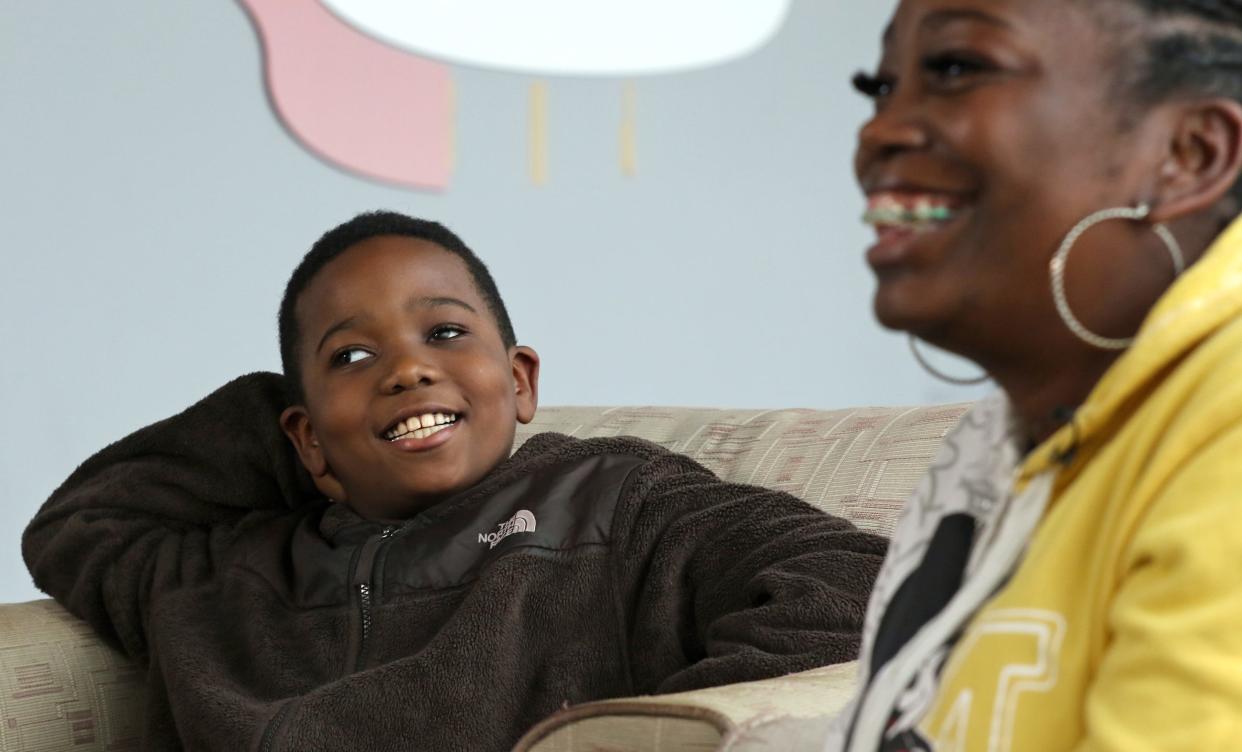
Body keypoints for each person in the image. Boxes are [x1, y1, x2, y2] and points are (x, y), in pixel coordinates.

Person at [23, 211, 887, 752]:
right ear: (304, 440)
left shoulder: (611, 500)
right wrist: (281, 412)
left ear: (518, 382)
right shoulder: (226, 575)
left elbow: (862, 586)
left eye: (443, 332)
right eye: (353, 356)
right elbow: (82, 523)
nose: (406, 369)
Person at [829, 1, 1242, 750]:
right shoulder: (989, 449)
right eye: (880, 87)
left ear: (1190, 153)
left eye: (956, 68)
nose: (878, 132)